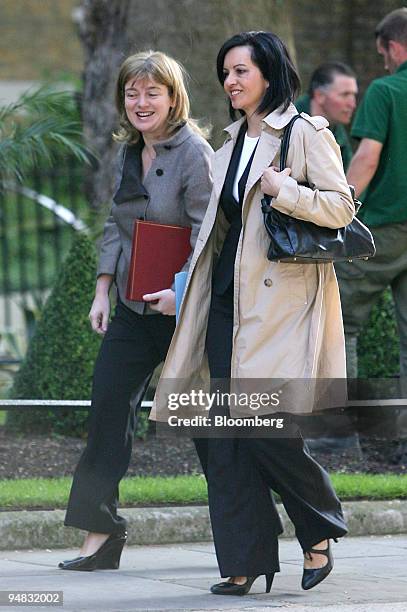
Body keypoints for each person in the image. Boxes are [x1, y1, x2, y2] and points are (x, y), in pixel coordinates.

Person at [150, 31, 353, 595]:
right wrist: (180, 288)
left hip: (277, 306)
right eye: (226, 73)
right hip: (221, 304)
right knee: (223, 437)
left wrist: (284, 192)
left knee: (266, 428)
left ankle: (318, 526)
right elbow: (218, 236)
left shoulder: (306, 133)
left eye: (241, 71)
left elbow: (341, 208)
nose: (230, 82)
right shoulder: (230, 142)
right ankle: (243, 562)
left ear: (269, 73)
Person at [58, 51, 213, 570]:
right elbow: (113, 226)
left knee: (208, 426)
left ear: (173, 98)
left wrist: (180, 292)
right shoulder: (128, 151)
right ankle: (100, 534)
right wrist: (102, 290)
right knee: (107, 412)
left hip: (181, 311)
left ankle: (246, 535)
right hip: (129, 307)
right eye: (132, 92)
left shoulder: (194, 153)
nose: (141, 102)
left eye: (152, 92)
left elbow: (208, 236)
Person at [336, 8, 407, 445]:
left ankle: (336, 435)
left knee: (339, 322)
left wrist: (337, 210)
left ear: (395, 46)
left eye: (383, 54)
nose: (383, 63)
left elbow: (366, 159)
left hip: (381, 230)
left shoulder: (386, 90)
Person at [296, 61, 358, 170]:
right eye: (345, 95)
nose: (352, 104)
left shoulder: (336, 128)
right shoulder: (289, 122)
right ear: (319, 96)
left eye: (353, 95)